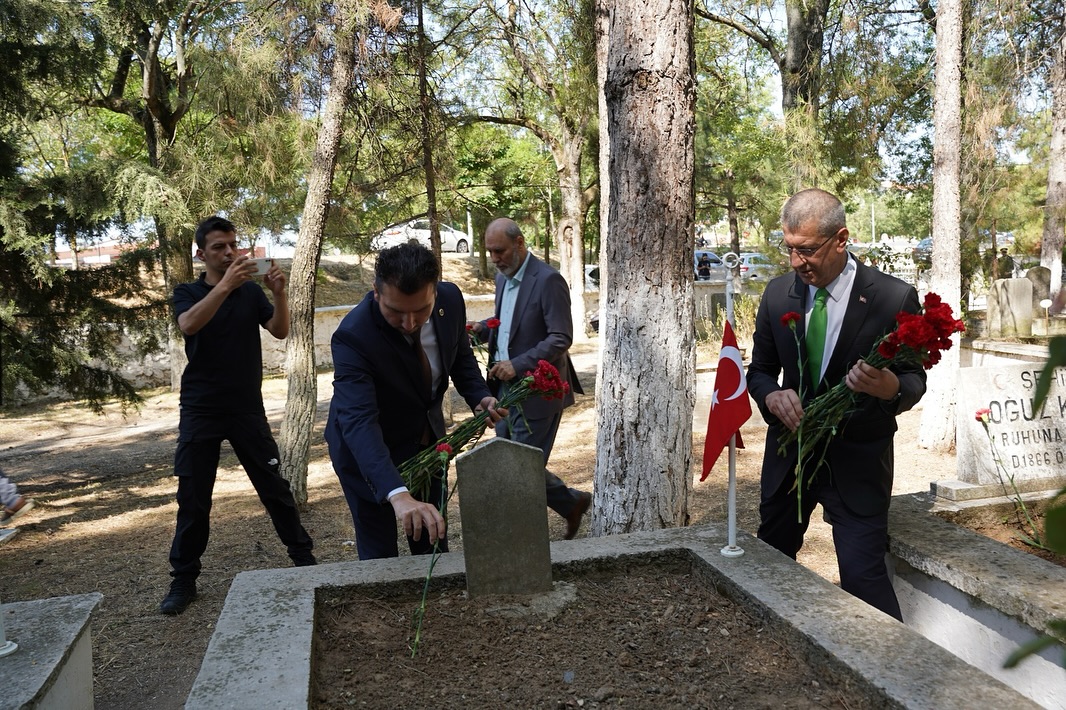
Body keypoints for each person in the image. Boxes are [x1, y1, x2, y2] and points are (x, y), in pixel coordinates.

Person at [746, 189, 926, 621]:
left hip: (858, 467)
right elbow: (760, 370)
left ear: (841, 239)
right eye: (789, 248)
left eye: (807, 250)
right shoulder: (777, 294)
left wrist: (888, 387)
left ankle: (893, 662)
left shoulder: (893, 298)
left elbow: (913, 380)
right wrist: (771, 394)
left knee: (865, 584)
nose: (796, 262)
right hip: (790, 462)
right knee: (770, 569)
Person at [160, 216, 315, 616]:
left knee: (274, 489)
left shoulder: (249, 292)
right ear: (201, 254)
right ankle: (183, 579)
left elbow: (280, 330)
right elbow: (188, 324)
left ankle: (304, 560)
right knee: (194, 498)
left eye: (233, 245)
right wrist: (225, 286)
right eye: (219, 247)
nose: (229, 252)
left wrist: (279, 294)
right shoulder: (188, 292)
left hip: (246, 407)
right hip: (201, 408)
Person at [325, 243, 505, 560]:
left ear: (435, 291)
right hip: (368, 454)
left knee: (432, 544)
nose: (409, 323)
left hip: (425, 445)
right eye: (396, 311)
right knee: (380, 556)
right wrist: (397, 494)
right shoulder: (353, 337)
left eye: (421, 310)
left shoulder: (451, 299)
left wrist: (479, 396)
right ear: (377, 292)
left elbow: (460, 358)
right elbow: (359, 420)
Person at [469, 217, 590, 540]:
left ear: (520, 243)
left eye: (500, 251)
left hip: (538, 393)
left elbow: (561, 336)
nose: (494, 258)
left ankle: (522, 540)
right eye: (490, 252)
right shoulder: (502, 279)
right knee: (511, 463)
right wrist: (484, 329)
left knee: (518, 470)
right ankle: (571, 502)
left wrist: (519, 364)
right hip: (504, 391)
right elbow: (510, 321)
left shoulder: (548, 280)